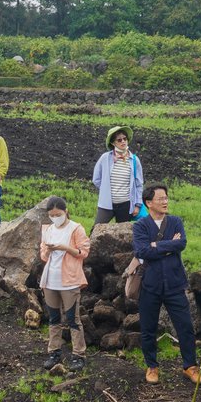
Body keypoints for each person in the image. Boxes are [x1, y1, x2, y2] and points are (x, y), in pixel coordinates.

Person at [132, 185, 201, 385]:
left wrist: (156, 246)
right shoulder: (141, 226)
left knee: (185, 327)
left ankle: (190, 366)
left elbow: (181, 244)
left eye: (166, 197)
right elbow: (141, 251)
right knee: (148, 328)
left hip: (174, 283)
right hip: (150, 284)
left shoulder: (175, 221)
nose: (165, 201)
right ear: (148, 203)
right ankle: (152, 366)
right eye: (160, 198)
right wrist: (167, 246)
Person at [38, 197, 91, 371]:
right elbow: (43, 256)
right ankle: (54, 352)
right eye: (52, 215)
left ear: (66, 211)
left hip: (69, 280)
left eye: (58, 214)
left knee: (72, 319)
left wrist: (65, 248)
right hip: (50, 279)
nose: (55, 217)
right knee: (53, 318)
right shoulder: (47, 229)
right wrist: (48, 248)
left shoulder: (76, 228)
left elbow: (83, 252)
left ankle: (79, 354)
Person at [90, 126, 145, 224]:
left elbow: (139, 184)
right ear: (113, 143)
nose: (123, 142)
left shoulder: (134, 160)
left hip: (126, 205)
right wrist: (105, 190)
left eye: (125, 139)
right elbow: (96, 179)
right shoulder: (105, 158)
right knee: (96, 230)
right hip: (106, 205)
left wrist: (137, 205)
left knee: (123, 235)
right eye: (119, 140)